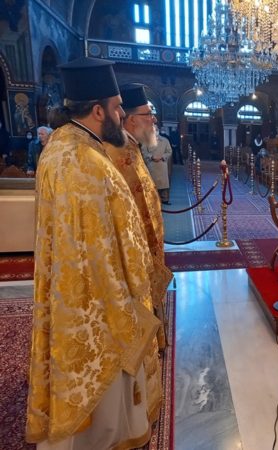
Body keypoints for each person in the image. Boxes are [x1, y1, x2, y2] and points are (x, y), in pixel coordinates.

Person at [26, 57, 162, 449]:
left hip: (78, 290)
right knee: (103, 392)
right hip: (97, 302)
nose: (121, 115)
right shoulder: (83, 161)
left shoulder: (64, 147)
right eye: (117, 107)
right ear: (98, 110)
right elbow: (104, 244)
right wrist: (134, 292)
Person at [104, 83, 173, 349]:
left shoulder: (131, 148)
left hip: (146, 243)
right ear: (132, 120)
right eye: (148, 114)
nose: (153, 120)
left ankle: (154, 339)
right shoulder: (118, 153)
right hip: (135, 247)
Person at [143, 126, 173, 204]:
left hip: (162, 164)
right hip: (151, 164)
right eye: (153, 129)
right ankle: (152, 200)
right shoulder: (146, 140)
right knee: (152, 183)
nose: (155, 131)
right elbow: (144, 152)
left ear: (158, 130)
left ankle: (165, 199)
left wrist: (162, 157)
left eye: (156, 129)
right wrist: (151, 157)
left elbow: (169, 151)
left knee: (163, 184)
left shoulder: (165, 140)